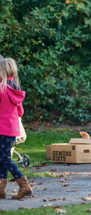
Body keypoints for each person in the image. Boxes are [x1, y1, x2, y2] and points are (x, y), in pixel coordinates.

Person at [0, 58, 33, 199]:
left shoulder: (1, 88)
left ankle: (24, 185)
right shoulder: (15, 88)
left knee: (5, 158)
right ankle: (1, 189)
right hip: (12, 128)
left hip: (2, 127)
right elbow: (20, 112)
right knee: (2, 157)